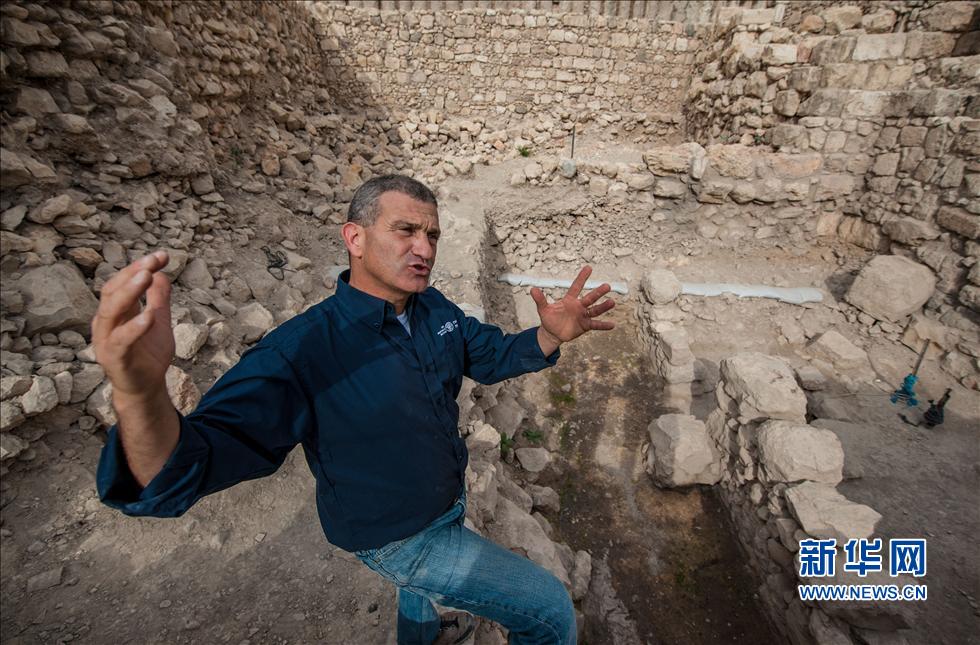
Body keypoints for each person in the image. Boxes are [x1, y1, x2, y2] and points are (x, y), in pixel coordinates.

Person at [94, 174, 616, 645]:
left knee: (418, 600)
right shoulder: (300, 351)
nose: (424, 248)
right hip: (398, 538)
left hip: (444, 497)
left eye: (432, 235)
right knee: (548, 613)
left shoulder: (433, 308)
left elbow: (490, 354)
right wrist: (139, 393)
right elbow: (187, 465)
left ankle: (423, 635)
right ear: (355, 238)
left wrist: (546, 335)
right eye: (405, 231)